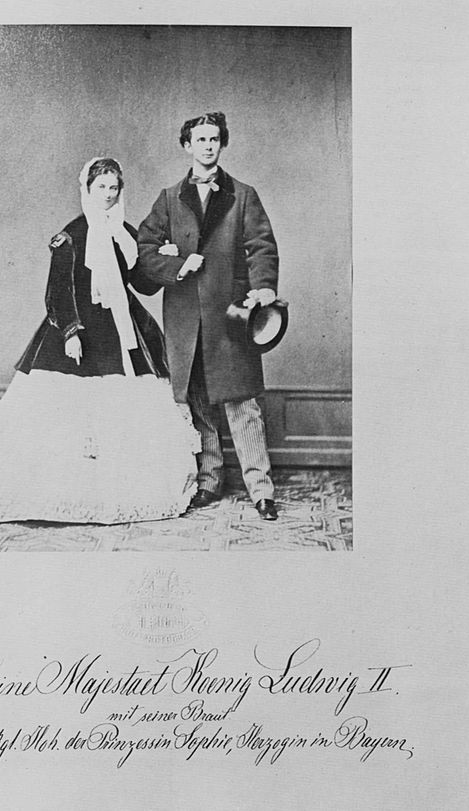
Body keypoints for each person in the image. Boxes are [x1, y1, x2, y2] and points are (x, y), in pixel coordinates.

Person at [0, 157, 199, 524]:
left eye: (113, 187)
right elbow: (58, 290)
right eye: (101, 187)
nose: (107, 194)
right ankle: (67, 492)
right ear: (87, 189)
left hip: (121, 326)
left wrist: (165, 261)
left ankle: (126, 488)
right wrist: (71, 332)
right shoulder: (72, 235)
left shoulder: (125, 233)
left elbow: (141, 284)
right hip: (80, 327)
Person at [137, 112, 280, 520]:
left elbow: (262, 246)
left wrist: (264, 287)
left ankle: (261, 490)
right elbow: (145, 250)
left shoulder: (243, 195)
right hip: (185, 317)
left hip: (232, 314)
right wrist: (177, 266)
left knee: (242, 401)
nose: (207, 146)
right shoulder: (169, 198)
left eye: (214, 139)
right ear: (187, 146)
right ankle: (209, 480)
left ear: (222, 143)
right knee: (198, 400)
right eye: (200, 140)